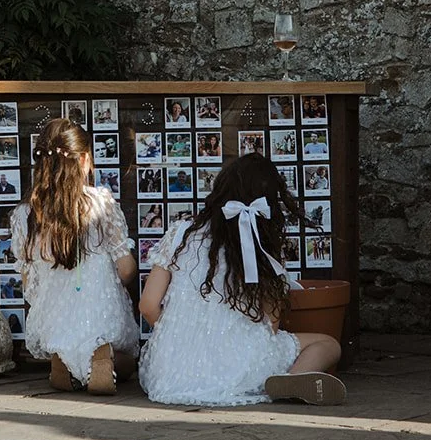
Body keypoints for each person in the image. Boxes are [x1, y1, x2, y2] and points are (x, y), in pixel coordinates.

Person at [138, 154, 345, 407]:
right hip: (242, 365)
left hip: (171, 372)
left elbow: (148, 305)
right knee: (328, 344)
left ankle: (290, 382)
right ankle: (292, 378)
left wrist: (184, 340)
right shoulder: (264, 245)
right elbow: (271, 326)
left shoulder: (180, 233)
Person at [10, 118, 140, 394]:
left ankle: (64, 359)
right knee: (130, 363)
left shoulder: (25, 215)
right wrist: (119, 285)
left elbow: (28, 282)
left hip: (53, 318)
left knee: (65, 340)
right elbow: (126, 267)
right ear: (83, 160)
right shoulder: (100, 203)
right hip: (102, 312)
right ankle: (101, 354)